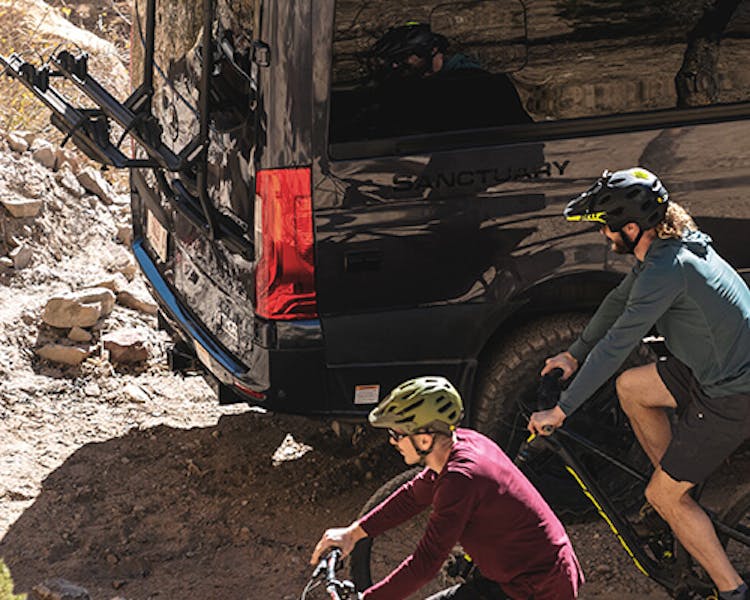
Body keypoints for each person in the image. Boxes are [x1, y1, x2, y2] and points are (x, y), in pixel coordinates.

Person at [527, 167, 750, 600]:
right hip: (714, 367)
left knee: (664, 495)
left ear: (631, 228)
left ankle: (731, 589)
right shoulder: (668, 248)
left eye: (607, 229)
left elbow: (617, 344)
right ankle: (678, 503)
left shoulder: (667, 270)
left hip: (733, 393)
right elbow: (616, 303)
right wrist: (574, 352)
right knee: (632, 387)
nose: (604, 236)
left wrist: (562, 409)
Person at [311, 376, 583, 600]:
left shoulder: (461, 479)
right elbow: (412, 497)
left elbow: (426, 561)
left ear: (425, 438)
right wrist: (353, 533)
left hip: (537, 589)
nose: (392, 442)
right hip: (515, 577)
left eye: (396, 434)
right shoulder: (462, 442)